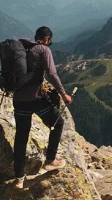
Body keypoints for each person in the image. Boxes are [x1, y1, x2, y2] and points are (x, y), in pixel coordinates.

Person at [13, 26, 72, 189]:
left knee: (21, 136)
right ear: (46, 38)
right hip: (35, 99)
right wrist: (64, 94)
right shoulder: (43, 50)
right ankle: (51, 160)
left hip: (18, 100)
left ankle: (18, 177)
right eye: (49, 40)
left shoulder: (23, 48)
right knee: (58, 123)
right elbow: (52, 74)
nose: (49, 43)